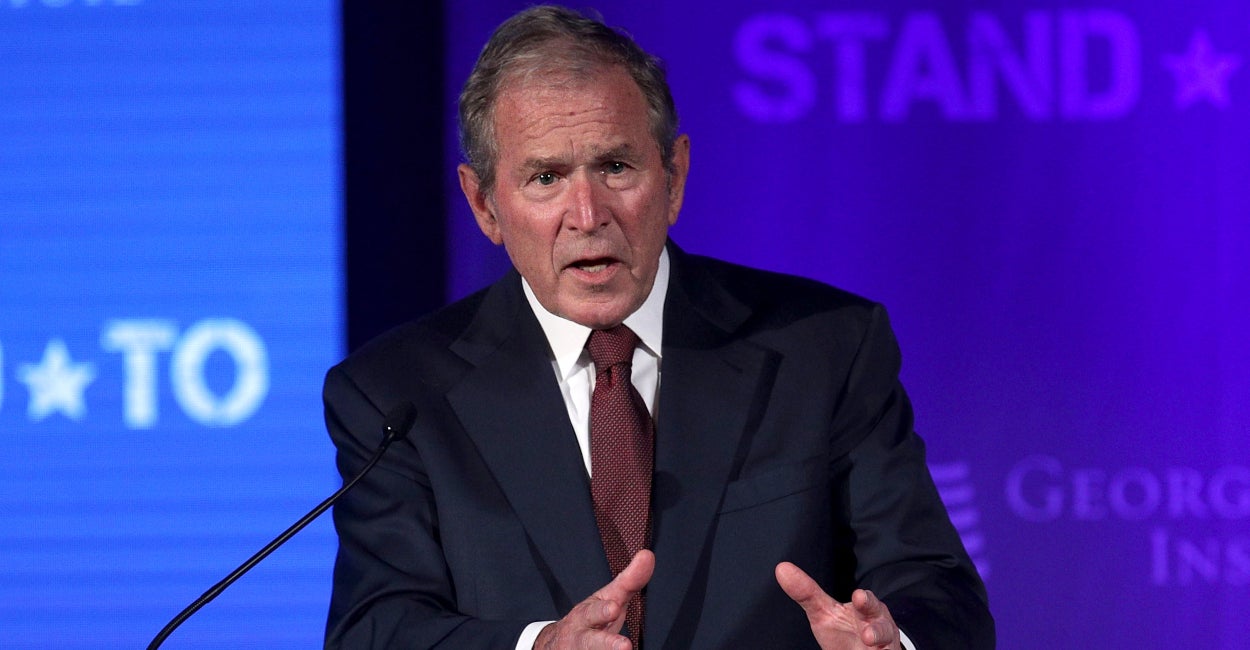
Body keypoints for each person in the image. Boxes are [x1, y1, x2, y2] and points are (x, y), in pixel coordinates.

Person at [323, 5, 993, 649]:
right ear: (484, 205)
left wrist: (891, 643)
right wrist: (539, 647)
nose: (588, 215)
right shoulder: (397, 397)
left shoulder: (826, 349)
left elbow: (935, 588)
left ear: (673, 176)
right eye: (546, 177)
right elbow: (376, 630)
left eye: (615, 167)